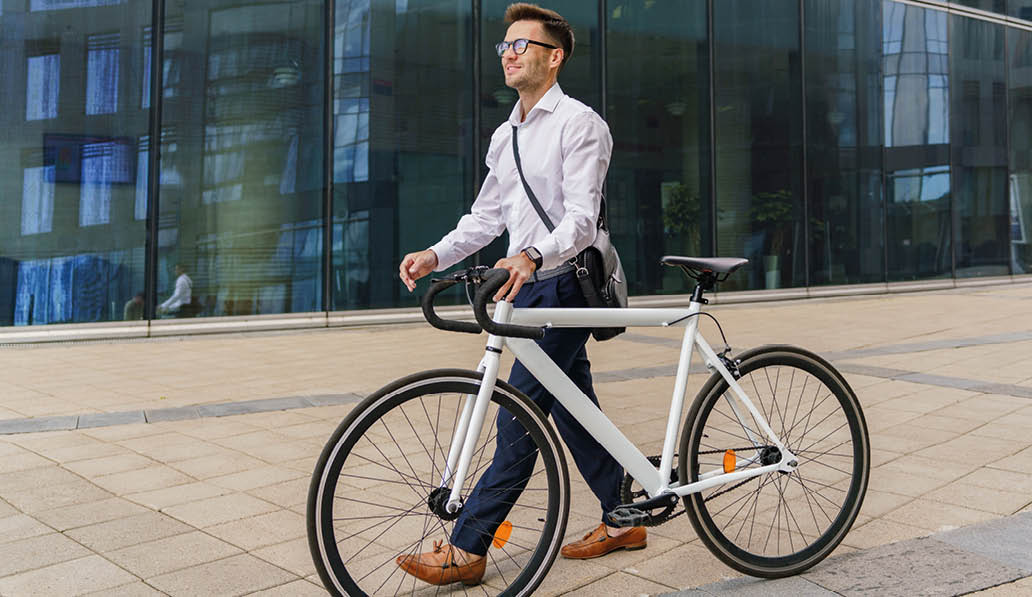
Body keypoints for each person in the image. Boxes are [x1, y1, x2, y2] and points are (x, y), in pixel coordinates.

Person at [397, 2, 645, 586]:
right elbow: (485, 219)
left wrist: (533, 254)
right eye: (504, 46)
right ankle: (621, 515)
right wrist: (436, 254)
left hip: (565, 283)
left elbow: (582, 221)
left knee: (520, 416)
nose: (508, 53)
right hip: (525, 287)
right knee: (572, 406)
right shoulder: (504, 134)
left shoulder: (580, 124)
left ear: (553, 58)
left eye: (521, 45)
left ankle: (468, 545)